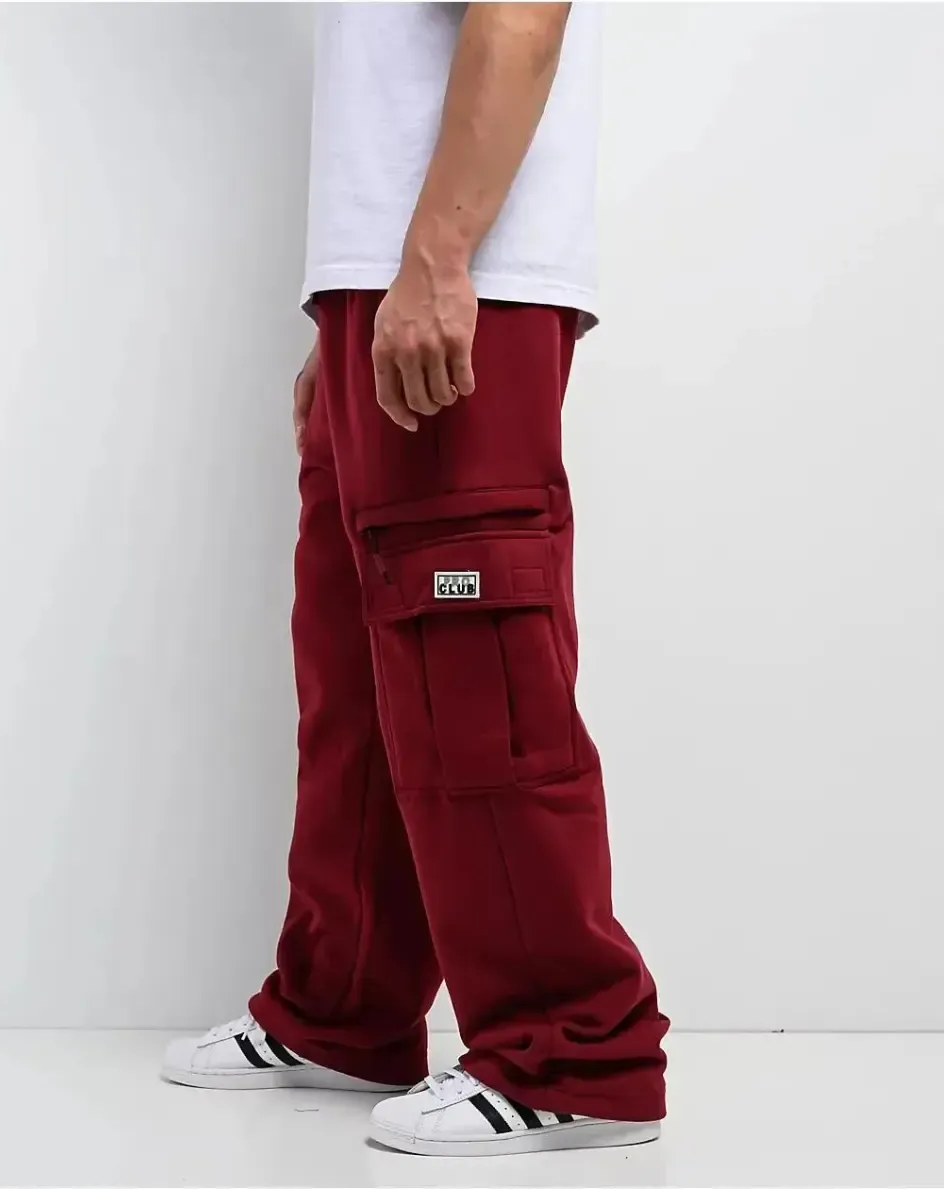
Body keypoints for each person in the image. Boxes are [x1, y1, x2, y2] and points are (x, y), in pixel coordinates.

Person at [162, 1, 669, 1157]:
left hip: (465, 278)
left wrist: (436, 262)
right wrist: (349, 310)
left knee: (475, 681)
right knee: (356, 679)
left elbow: (521, 16)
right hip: (386, 286)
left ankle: (574, 1053)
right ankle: (343, 1007)